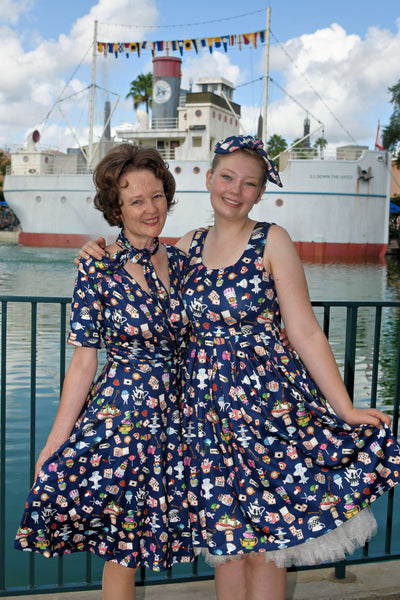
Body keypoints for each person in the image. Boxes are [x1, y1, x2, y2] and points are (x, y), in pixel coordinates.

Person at [78, 135, 400, 600]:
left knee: (264, 546)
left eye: (250, 183)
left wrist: (345, 409)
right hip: (205, 419)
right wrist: (98, 249)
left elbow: (306, 331)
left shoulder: (273, 240)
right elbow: (145, 277)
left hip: (267, 413)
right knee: (225, 543)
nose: (235, 189)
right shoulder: (187, 245)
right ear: (208, 179)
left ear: (261, 192)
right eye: (226, 177)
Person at [14, 144, 193, 600]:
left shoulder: (185, 261)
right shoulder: (96, 268)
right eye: (136, 200)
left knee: (175, 531)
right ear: (116, 207)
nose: (150, 209)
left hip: (183, 418)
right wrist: (55, 443)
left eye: (157, 196)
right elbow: (84, 362)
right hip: (124, 421)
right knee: (123, 552)